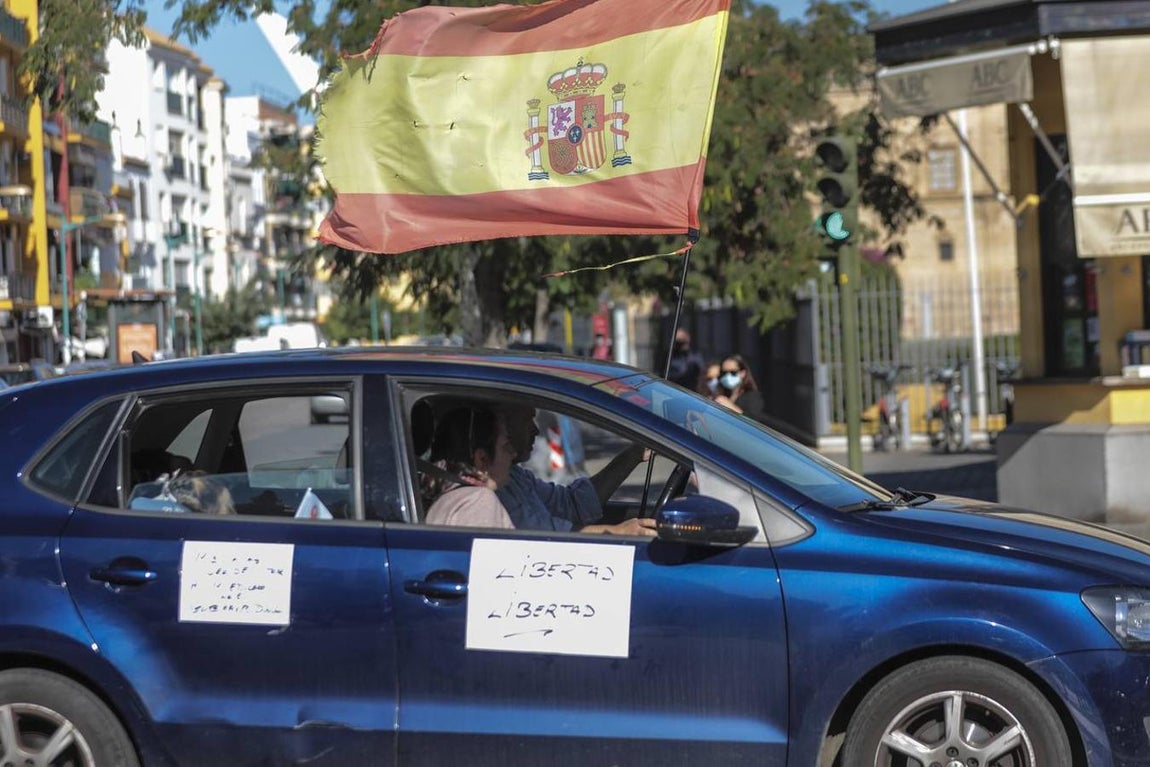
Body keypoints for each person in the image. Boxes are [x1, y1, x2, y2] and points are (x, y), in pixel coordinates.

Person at [496, 404, 656, 536]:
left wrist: (633, 455)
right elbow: (545, 538)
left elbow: (572, 505)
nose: (536, 430)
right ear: (502, 427)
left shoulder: (516, 477)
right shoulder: (490, 490)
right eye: (526, 421)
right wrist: (617, 532)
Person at [422, 406, 515, 529]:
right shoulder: (478, 502)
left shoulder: (448, 496)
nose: (513, 454)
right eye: (506, 446)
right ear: (482, 458)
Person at [714, 353, 769, 424]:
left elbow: (754, 422)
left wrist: (731, 407)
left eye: (733, 372)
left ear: (743, 373)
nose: (727, 376)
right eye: (724, 372)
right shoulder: (723, 393)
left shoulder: (752, 396)